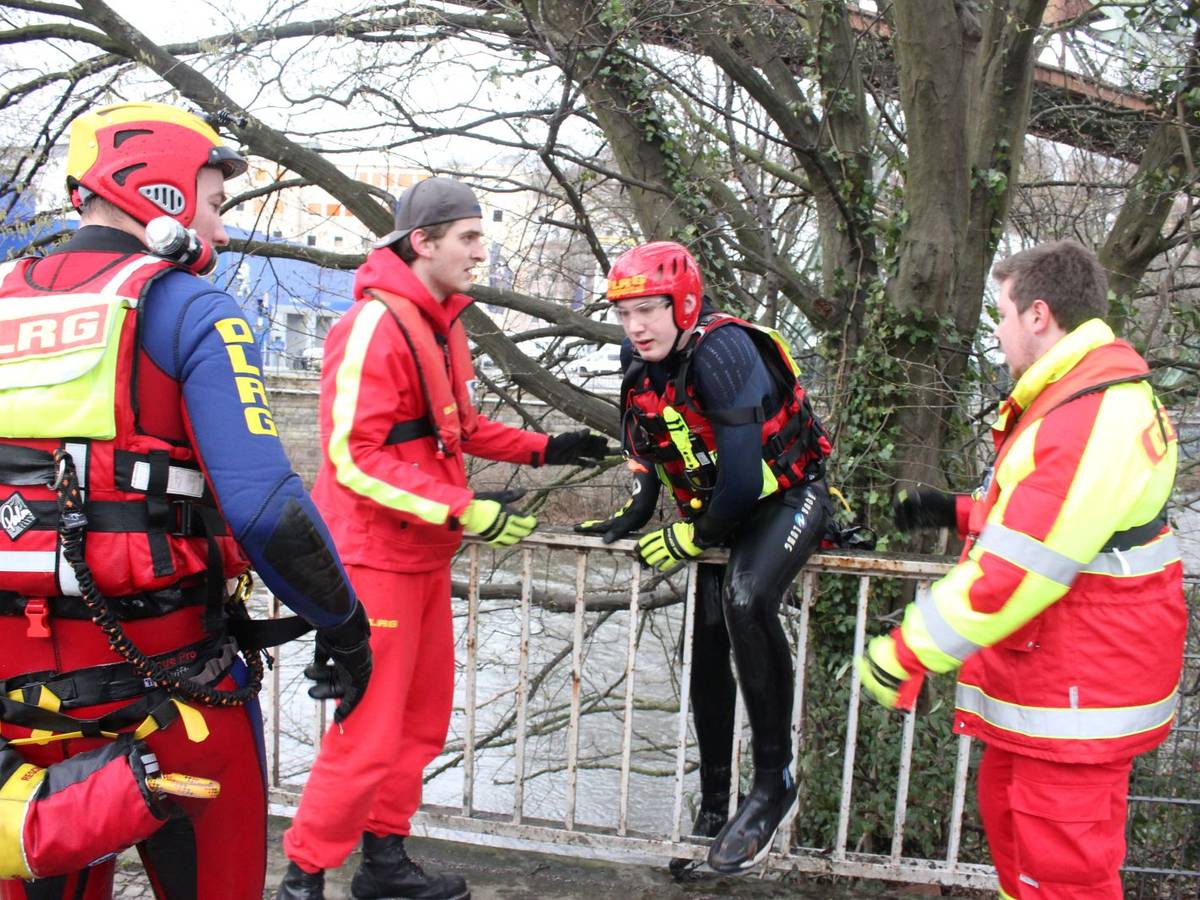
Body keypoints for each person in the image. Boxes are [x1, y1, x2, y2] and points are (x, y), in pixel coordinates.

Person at [0, 101, 372, 899]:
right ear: (162, 192)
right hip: (176, 702)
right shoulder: (192, 309)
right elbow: (265, 509)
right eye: (215, 203)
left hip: (17, 713)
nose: (222, 231)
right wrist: (346, 629)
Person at [276, 177, 608, 900]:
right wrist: (465, 509)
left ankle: (384, 865)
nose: (481, 252)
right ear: (422, 242)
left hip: (421, 555)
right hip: (374, 561)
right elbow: (353, 459)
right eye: (469, 237)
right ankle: (302, 879)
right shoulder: (372, 325)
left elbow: (459, 428)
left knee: (420, 722)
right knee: (366, 733)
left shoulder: (440, 323)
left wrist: (546, 449)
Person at [858, 240, 1186, 899]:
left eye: (1002, 315)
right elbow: (1067, 523)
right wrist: (959, 512)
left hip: (1076, 691)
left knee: (1060, 880)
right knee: (1019, 852)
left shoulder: (1085, 413)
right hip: (1063, 684)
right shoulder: (1086, 395)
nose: (999, 332)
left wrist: (909, 647)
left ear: (1039, 315)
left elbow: (1021, 567)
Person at [574, 241, 833, 875]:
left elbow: (742, 482)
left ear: (684, 303)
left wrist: (688, 538)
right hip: (720, 507)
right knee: (709, 640)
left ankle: (773, 783)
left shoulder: (723, 351)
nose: (635, 327)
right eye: (624, 314)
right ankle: (714, 805)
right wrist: (636, 510)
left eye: (648, 310)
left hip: (785, 496)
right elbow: (647, 444)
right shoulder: (640, 360)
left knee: (747, 599)